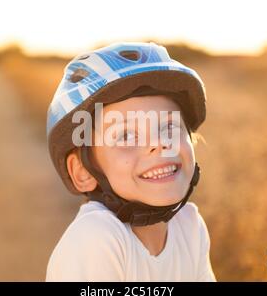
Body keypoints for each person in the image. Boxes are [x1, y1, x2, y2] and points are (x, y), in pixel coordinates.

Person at [45, 42, 216, 281]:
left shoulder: (189, 227)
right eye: (126, 136)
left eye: (169, 127)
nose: (158, 144)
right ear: (83, 171)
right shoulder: (96, 236)